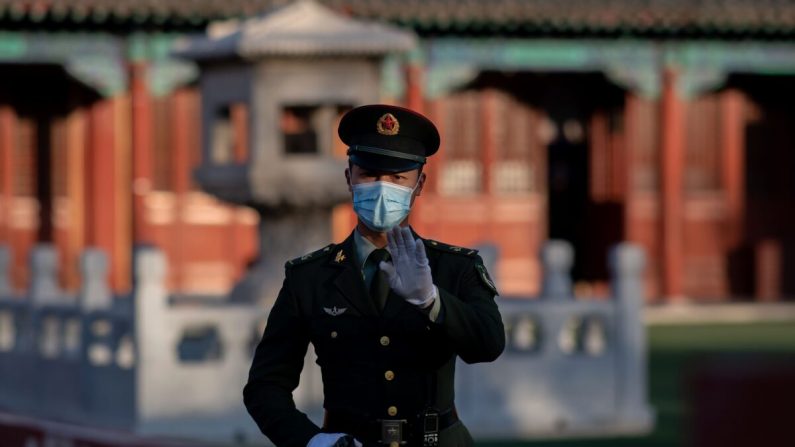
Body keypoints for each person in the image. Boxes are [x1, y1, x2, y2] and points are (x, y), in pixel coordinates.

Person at [243, 104, 505, 447]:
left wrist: (433, 302)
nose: (382, 188)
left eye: (397, 178)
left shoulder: (454, 267)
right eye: (369, 174)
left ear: (419, 184)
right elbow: (265, 386)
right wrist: (311, 441)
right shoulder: (309, 277)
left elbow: (488, 345)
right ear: (349, 177)